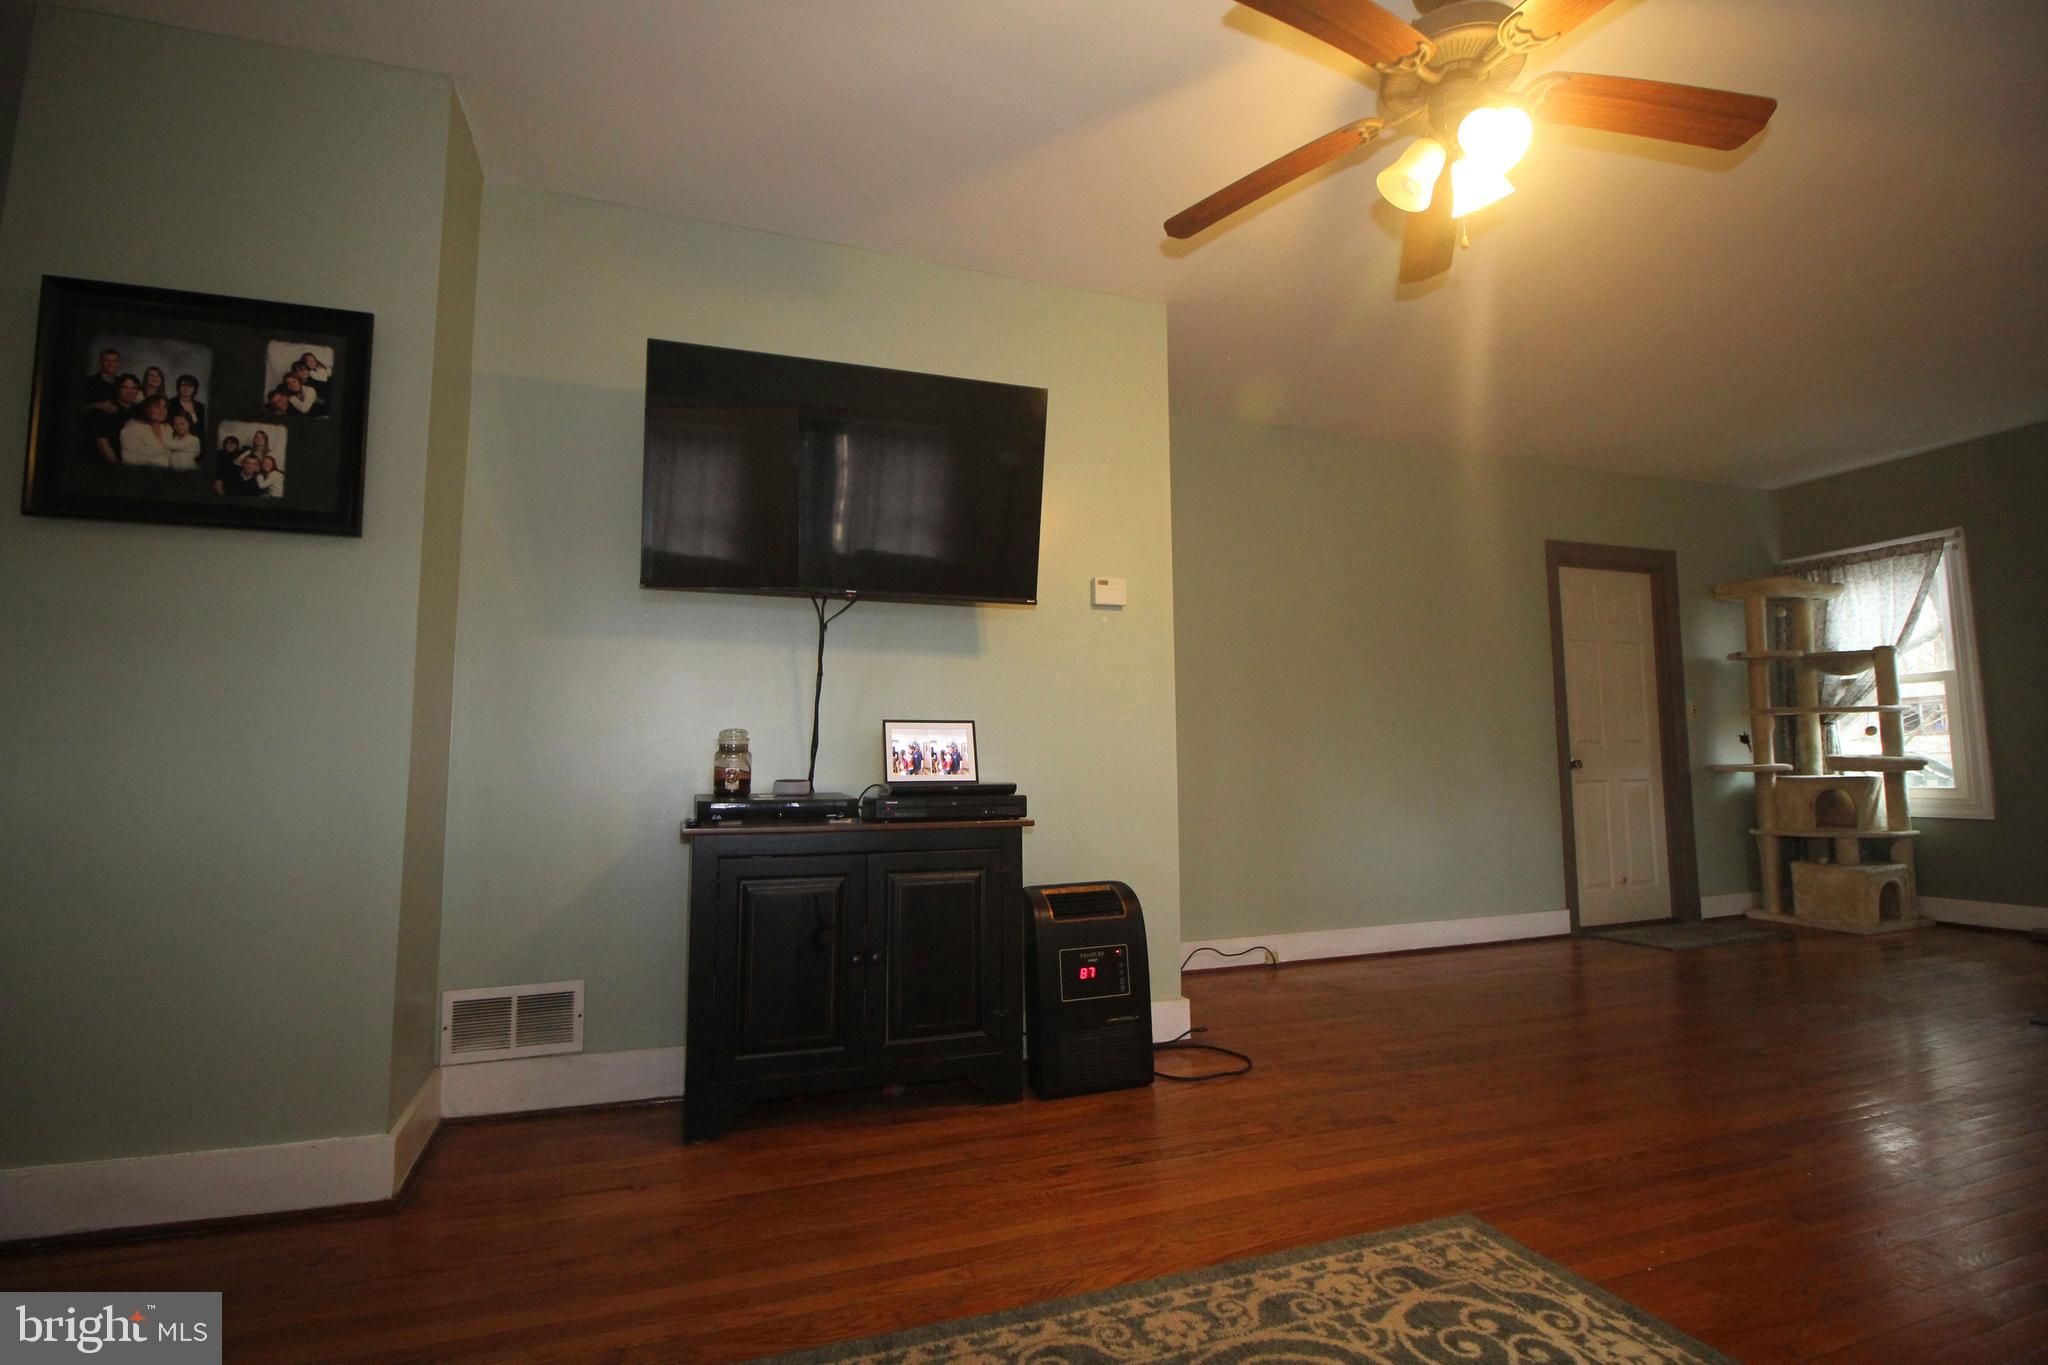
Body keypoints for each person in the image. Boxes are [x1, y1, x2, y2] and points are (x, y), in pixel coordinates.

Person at [91, 373, 143, 463]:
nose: (129, 392)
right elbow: (102, 444)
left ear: (138, 391)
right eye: (125, 387)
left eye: (133, 388)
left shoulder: (139, 411)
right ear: (118, 390)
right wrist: (118, 466)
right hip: (111, 463)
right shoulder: (106, 409)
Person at [119, 395, 175, 467]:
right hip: (142, 475)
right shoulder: (133, 429)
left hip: (168, 474)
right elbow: (129, 461)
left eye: (165, 407)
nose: (162, 411)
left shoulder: (168, 429)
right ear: (147, 409)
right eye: (157, 407)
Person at [167, 374, 206, 438]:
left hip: (195, 442)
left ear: (195, 389)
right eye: (183, 386)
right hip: (175, 440)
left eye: (190, 386)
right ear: (178, 387)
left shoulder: (200, 406)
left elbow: (201, 430)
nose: (186, 389)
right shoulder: (170, 403)